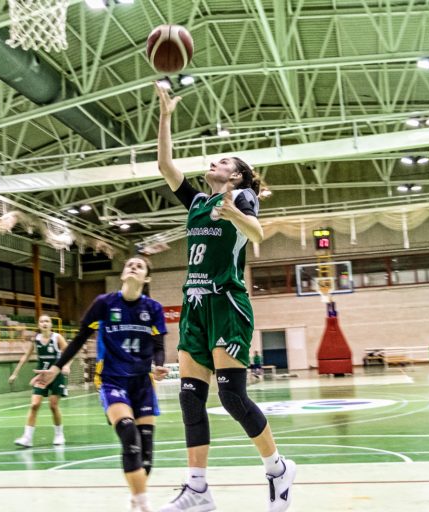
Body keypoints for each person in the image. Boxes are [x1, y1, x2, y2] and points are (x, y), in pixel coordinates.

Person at [154, 83, 296, 512]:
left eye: (222, 160)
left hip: (227, 303)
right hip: (195, 305)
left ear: (233, 175)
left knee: (232, 396)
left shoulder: (242, 197)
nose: (212, 162)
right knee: (189, 396)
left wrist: (235, 211)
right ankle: (197, 489)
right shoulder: (197, 201)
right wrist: (165, 115)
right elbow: (164, 164)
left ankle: (277, 469)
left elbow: (257, 235)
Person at [32, 256, 168, 512]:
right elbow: (79, 339)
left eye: (140, 266)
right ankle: (143, 504)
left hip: (142, 383)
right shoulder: (104, 303)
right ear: (123, 273)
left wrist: (159, 364)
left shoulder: (153, 308)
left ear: (146, 278)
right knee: (129, 434)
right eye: (129, 264)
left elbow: (159, 345)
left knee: (146, 453)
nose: (133, 267)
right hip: (112, 380)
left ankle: (135, 497)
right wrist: (55, 368)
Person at [9, 315, 69, 447]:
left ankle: (59, 435)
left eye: (47, 321)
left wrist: (66, 365)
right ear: (38, 325)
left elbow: (69, 352)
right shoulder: (35, 339)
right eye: (42, 321)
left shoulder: (57, 337)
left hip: (56, 374)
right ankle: (27, 438)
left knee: (53, 405)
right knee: (34, 404)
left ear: (51, 324)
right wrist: (15, 373)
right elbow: (25, 356)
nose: (44, 323)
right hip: (41, 374)